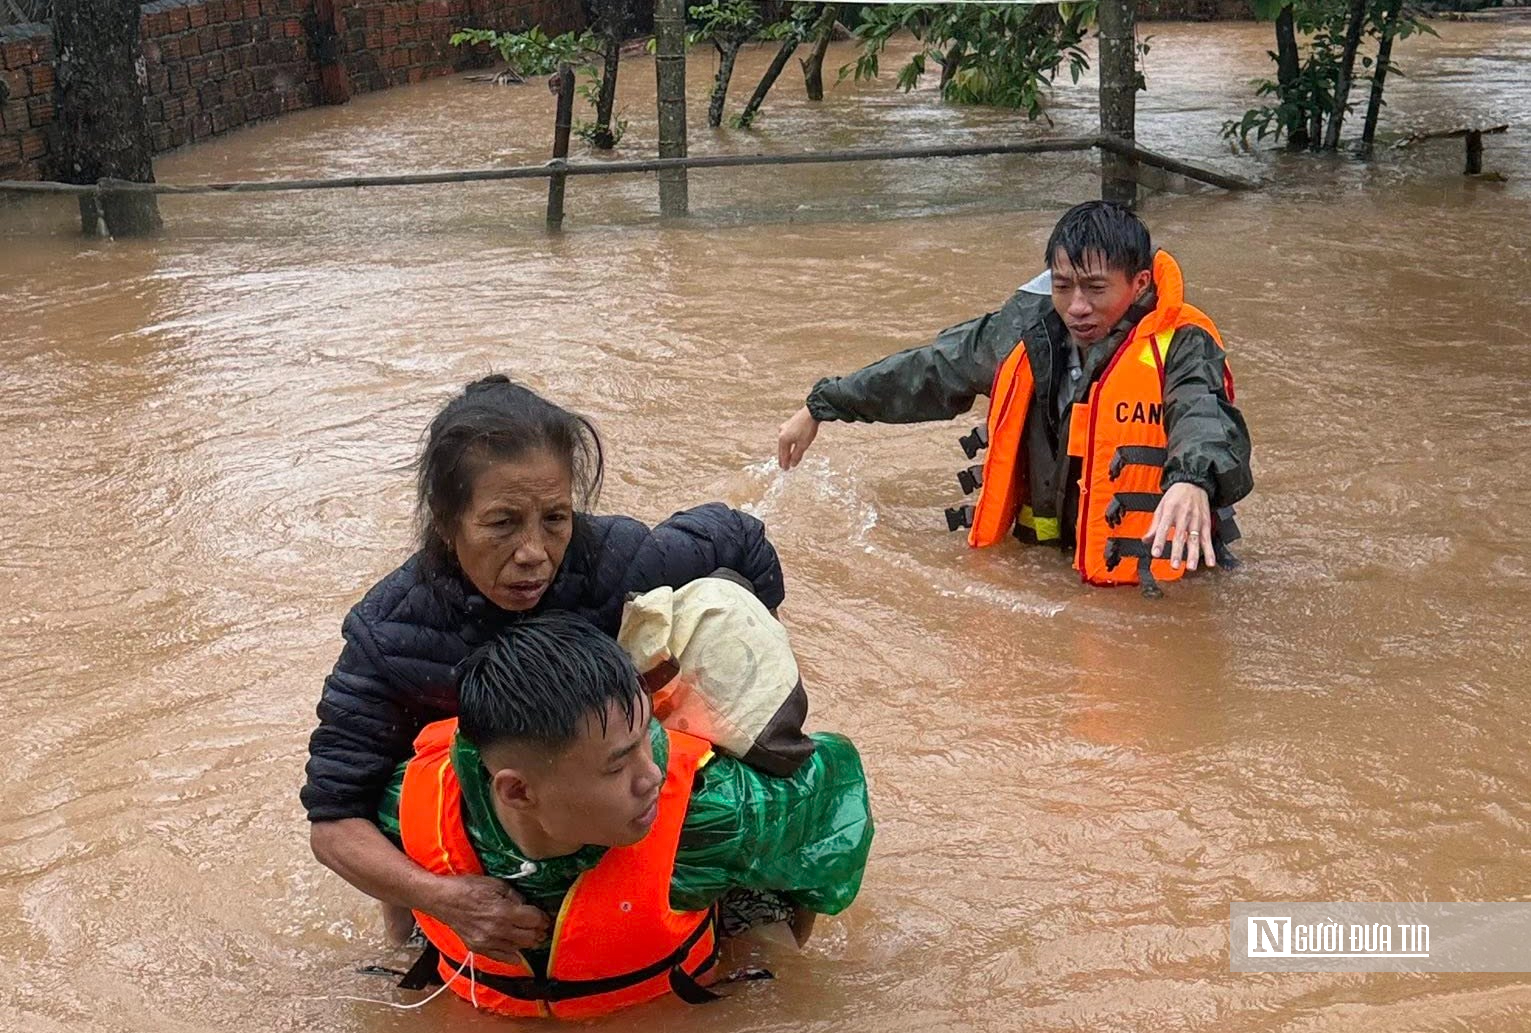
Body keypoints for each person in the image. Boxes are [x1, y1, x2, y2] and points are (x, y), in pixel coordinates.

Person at [303, 375, 787, 961]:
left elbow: (742, 541)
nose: (534, 553)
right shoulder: (392, 633)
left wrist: (748, 667)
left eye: (555, 519)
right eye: (502, 523)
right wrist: (445, 899)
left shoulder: (617, 562)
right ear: (445, 520)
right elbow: (334, 821)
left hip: (609, 794)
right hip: (473, 859)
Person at [377, 611, 873, 1018]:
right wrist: (418, 919)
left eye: (646, 742)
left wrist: (788, 951)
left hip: (676, 979)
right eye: (618, 767)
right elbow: (383, 864)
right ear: (519, 791)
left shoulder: (707, 810)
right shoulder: (413, 801)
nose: (652, 777)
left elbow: (831, 788)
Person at [776, 201, 1253, 592]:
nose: (1078, 307)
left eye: (1096, 289)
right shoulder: (1023, 332)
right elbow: (928, 371)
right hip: (1047, 568)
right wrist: (823, 404)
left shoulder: (1182, 342)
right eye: (1063, 288)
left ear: (1141, 283)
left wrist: (1191, 478)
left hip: (1163, 584)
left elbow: (1202, 410)